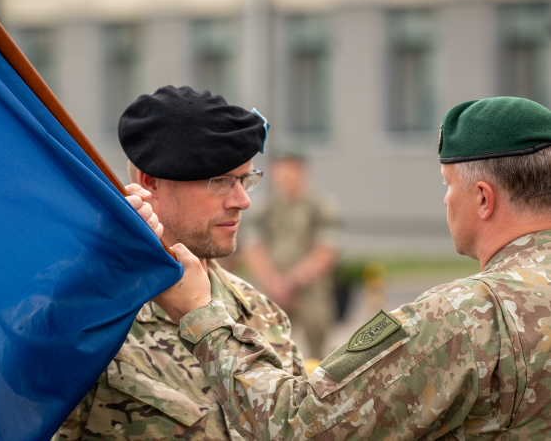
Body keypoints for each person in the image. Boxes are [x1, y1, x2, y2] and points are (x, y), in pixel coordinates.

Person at [156, 96, 551, 439]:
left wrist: (202, 316)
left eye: (448, 185)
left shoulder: (465, 318)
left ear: (483, 198)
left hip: (308, 295)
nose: (446, 200)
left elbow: (296, 425)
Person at [55, 85, 301, 440]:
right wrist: (94, 266)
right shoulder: (90, 309)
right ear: (150, 182)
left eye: (245, 179)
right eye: (220, 181)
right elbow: (12, 384)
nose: (242, 201)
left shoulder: (264, 315)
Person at [243, 149, 342, 359]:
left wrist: (294, 280)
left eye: (289, 170)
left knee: (317, 344)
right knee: (266, 346)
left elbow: (327, 249)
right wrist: (273, 281)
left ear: (301, 171)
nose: (283, 177)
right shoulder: (265, 206)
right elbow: (252, 246)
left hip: (310, 288)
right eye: (279, 171)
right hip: (272, 288)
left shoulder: (319, 205)